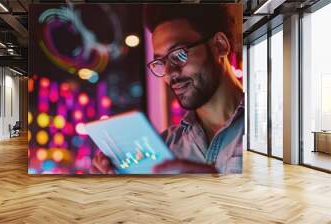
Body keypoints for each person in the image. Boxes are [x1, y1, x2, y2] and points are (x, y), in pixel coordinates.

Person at [91, 4, 244, 174]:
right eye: (160, 63)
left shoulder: (268, 127)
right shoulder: (164, 149)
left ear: (220, 45)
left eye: (179, 54)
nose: (169, 73)